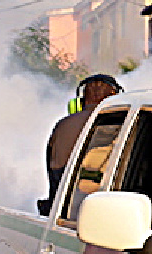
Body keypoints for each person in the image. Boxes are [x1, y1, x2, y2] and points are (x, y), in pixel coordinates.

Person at [43, 74, 123, 210]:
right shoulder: (124, 124)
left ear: (79, 102)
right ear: (116, 100)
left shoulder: (62, 126)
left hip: (63, 212)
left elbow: (53, 175)